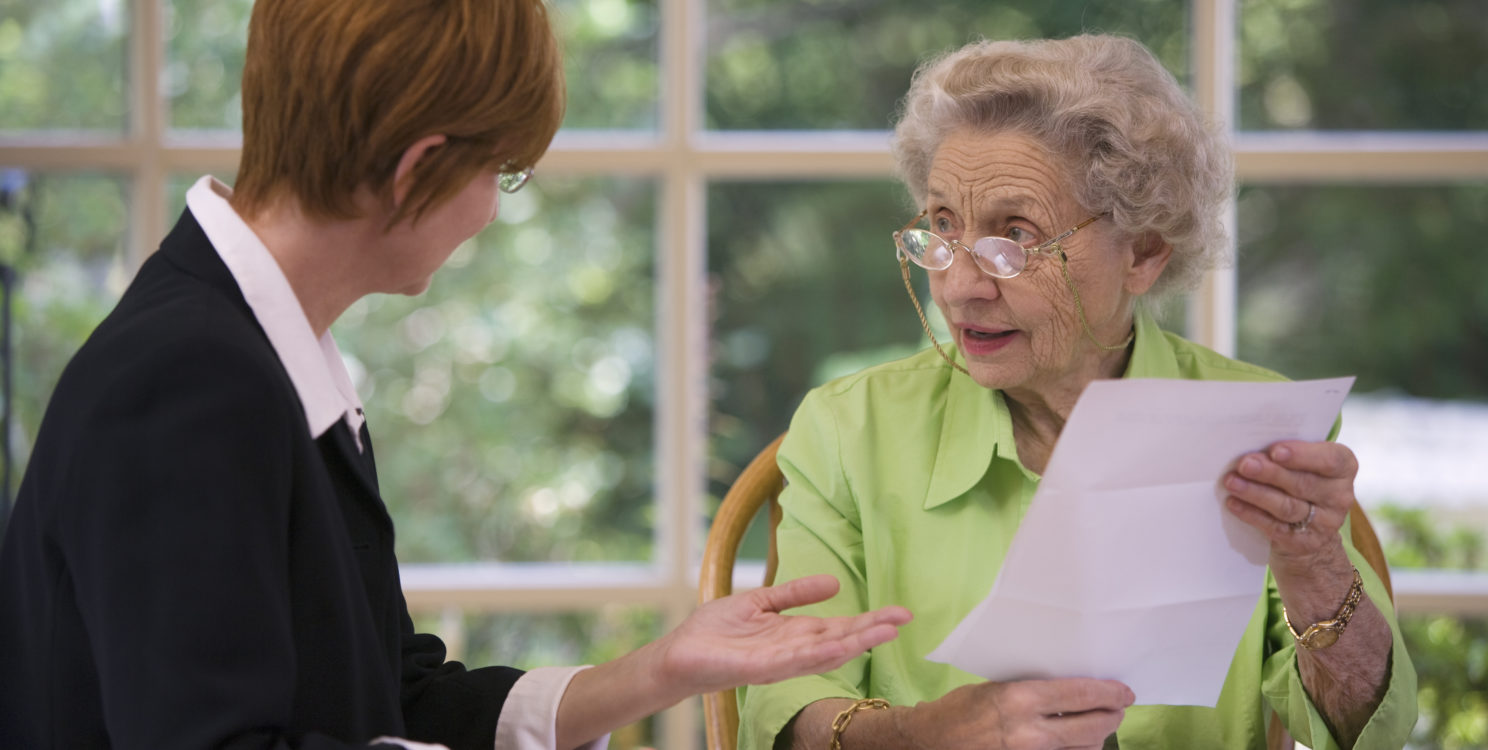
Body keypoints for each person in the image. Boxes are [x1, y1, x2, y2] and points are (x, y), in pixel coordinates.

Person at [0, 1, 913, 748]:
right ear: (420, 169)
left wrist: (661, 669)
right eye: (503, 173)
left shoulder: (261, 354)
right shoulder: (190, 381)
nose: (490, 213)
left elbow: (393, 700)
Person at [739, 34, 1416, 750]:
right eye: (941, 227)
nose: (961, 288)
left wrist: (1315, 568)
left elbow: (1365, 731)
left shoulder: (1258, 429)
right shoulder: (851, 429)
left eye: (1013, 238)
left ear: (1145, 251)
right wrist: (925, 733)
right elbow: (784, 714)